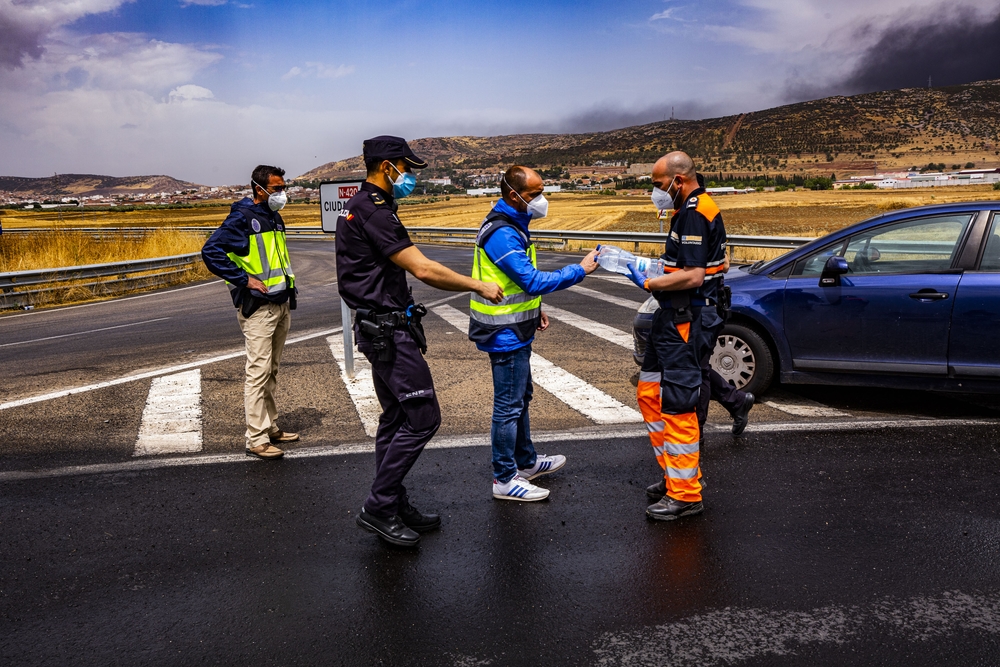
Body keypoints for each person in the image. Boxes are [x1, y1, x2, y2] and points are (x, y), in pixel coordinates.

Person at [337, 135, 504, 547]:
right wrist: (476, 285)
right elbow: (424, 269)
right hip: (387, 333)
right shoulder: (374, 211)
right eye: (406, 168)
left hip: (382, 329)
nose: (409, 175)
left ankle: (392, 501)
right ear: (387, 166)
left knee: (395, 419)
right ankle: (378, 507)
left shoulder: (366, 206)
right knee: (423, 417)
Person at [468, 166, 599, 502]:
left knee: (520, 400)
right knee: (508, 407)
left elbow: (517, 284)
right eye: (536, 193)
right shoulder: (503, 234)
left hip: (517, 327)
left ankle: (525, 463)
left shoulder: (513, 224)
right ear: (514, 195)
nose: (542, 200)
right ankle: (504, 478)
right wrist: (578, 271)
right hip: (504, 333)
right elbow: (531, 280)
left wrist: (535, 308)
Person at [623, 151, 727, 521]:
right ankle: (673, 475)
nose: (656, 192)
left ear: (678, 181)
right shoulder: (692, 210)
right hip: (673, 317)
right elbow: (712, 263)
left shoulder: (696, 212)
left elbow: (695, 275)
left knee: (679, 402)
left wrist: (649, 281)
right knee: (650, 390)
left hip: (688, 317)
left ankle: (685, 494)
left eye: (657, 184)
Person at [202, 164, 298, 460]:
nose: (282, 193)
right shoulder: (242, 217)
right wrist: (244, 280)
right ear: (260, 189)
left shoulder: (273, 217)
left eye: (284, 187)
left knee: (272, 370)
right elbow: (211, 251)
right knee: (258, 372)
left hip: (280, 304)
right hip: (259, 308)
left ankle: (270, 427)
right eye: (277, 188)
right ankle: (255, 439)